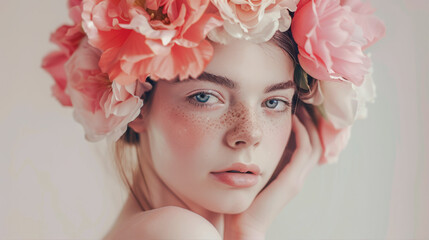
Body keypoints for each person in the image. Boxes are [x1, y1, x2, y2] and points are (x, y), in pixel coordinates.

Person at [42, 0, 385, 239]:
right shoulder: (179, 232)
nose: (249, 133)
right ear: (135, 104)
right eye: (205, 97)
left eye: (275, 102)